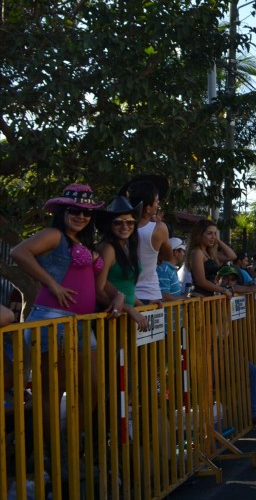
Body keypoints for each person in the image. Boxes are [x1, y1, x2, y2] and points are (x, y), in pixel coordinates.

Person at [9, 184, 109, 432]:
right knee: (52, 391)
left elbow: (98, 284)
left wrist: (118, 300)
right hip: (54, 320)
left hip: (82, 323)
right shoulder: (54, 235)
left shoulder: (82, 241)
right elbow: (19, 252)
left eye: (86, 213)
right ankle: (48, 455)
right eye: (74, 210)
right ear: (62, 211)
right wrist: (53, 284)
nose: (81, 216)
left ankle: (72, 444)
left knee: (96, 386)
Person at [95, 196, 149, 329]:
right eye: (118, 222)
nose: (125, 226)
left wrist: (143, 304)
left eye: (130, 222)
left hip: (126, 318)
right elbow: (98, 290)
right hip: (111, 318)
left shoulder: (127, 248)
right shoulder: (109, 248)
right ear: (110, 225)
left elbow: (126, 287)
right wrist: (128, 309)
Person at [120, 176, 172, 306]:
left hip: (124, 296)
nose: (158, 205)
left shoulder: (119, 228)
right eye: (156, 202)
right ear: (148, 208)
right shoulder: (159, 228)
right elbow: (168, 256)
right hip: (150, 294)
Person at [185, 219, 238, 297]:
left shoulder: (209, 253)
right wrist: (223, 290)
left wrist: (218, 241)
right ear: (199, 235)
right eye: (209, 233)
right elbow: (201, 282)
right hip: (199, 298)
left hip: (208, 298)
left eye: (215, 233)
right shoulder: (197, 252)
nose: (213, 237)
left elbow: (232, 256)